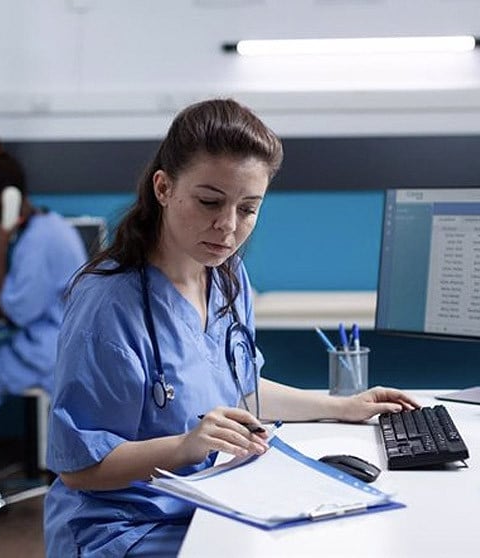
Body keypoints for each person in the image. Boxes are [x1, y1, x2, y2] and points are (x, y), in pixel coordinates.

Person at [44, 99, 420, 556]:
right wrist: (185, 446)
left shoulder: (226, 277)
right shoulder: (109, 305)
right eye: (209, 202)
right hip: (126, 526)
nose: (227, 227)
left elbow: (237, 390)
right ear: (163, 188)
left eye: (248, 209)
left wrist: (342, 406)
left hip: (209, 502)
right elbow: (79, 468)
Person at [0, 136, 89, 429]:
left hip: (47, 351)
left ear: (9, 198)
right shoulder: (53, 225)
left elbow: (17, 312)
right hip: (61, 344)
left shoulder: (35, 242)